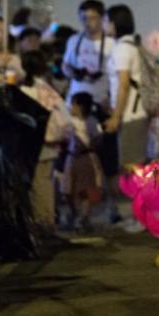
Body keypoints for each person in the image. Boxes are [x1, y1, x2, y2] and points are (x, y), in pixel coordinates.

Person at [102, 4, 148, 233]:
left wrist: (116, 116)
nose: (104, 25)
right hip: (135, 113)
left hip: (130, 115)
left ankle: (141, 217)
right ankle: (139, 215)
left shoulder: (122, 49)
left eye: (106, 20)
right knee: (133, 166)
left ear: (114, 23)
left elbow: (122, 85)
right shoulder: (132, 46)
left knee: (132, 168)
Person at [19, 50, 72, 234]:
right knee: (45, 184)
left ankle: (44, 225)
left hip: (36, 146)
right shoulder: (47, 89)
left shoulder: (26, 90)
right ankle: (46, 223)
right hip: (50, 145)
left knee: (39, 186)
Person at [63, 92, 104, 233]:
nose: (71, 107)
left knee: (86, 190)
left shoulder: (92, 122)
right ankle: (74, 215)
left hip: (86, 159)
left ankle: (83, 217)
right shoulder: (68, 121)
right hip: (71, 158)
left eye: (73, 104)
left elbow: (98, 138)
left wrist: (86, 144)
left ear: (80, 106)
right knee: (68, 188)